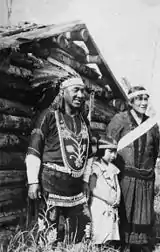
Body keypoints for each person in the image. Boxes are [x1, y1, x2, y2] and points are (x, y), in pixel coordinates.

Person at [25, 69, 94, 246]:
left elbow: (89, 155)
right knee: (48, 234)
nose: (80, 95)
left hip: (76, 188)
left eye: (82, 90)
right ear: (63, 93)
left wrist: (85, 180)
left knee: (80, 234)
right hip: (51, 183)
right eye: (75, 90)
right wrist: (33, 181)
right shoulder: (48, 116)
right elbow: (34, 150)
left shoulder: (83, 121)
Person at [107, 86, 160, 252]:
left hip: (145, 180)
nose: (144, 103)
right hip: (125, 179)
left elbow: (154, 153)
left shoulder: (152, 125)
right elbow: (108, 146)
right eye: (139, 99)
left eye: (146, 99)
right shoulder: (119, 119)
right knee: (124, 217)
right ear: (130, 102)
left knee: (142, 219)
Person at [89, 136, 120, 247]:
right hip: (100, 204)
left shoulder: (113, 168)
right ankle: (96, 247)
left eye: (115, 152)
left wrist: (117, 198)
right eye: (110, 152)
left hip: (111, 205)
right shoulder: (95, 167)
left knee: (109, 230)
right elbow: (92, 188)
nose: (113, 155)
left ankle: (107, 247)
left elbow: (117, 185)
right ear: (102, 150)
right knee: (99, 229)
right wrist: (107, 199)